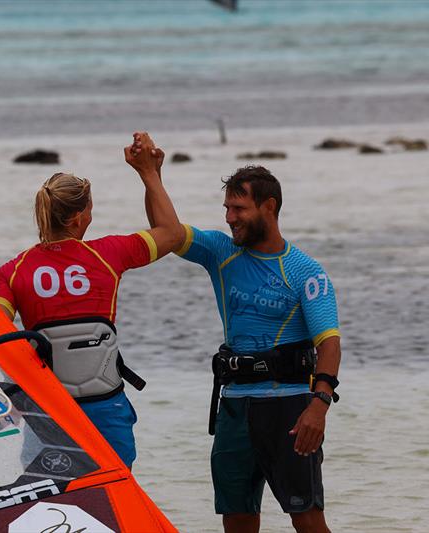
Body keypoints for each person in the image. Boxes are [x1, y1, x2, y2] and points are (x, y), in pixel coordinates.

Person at [137, 143, 341, 533]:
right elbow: (168, 231)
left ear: (269, 207)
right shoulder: (221, 252)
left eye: (239, 209)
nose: (231, 218)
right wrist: (150, 175)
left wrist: (319, 405)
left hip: (289, 408)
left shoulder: (304, 272)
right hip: (234, 407)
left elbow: (328, 344)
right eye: (227, 210)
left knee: (307, 517)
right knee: (238, 517)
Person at [0, 132, 184, 469]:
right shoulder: (107, 254)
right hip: (106, 408)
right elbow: (171, 232)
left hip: (49, 413)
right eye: (91, 208)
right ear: (79, 218)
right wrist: (149, 173)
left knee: (54, 502)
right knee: (117, 504)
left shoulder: (12, 271)